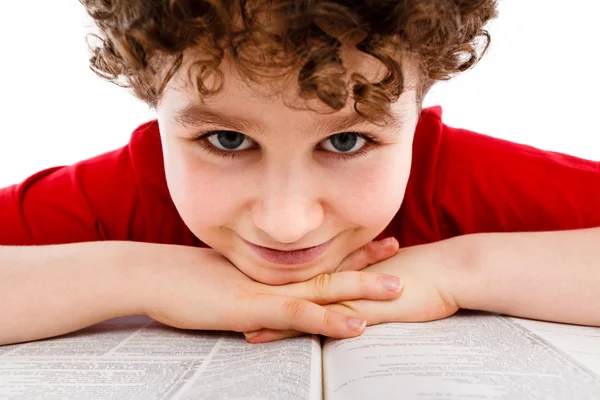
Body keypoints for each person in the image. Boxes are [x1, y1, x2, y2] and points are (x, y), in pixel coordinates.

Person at [1, 0, 599, 346]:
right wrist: (138, 276)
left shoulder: (458, 177)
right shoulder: (130, 191)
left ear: (419, 104)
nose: (285, 223)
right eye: (226, 139)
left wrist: (455, 272)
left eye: (346, 140)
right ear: (153, 100)